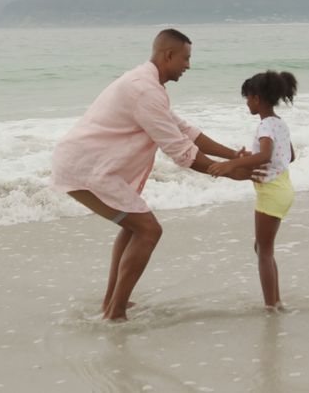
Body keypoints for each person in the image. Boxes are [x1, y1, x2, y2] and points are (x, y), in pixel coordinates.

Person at [50, 28, 256, 321]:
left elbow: (185, 131)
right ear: (168, 55)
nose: (188, 66)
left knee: (135, 227)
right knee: (148, 230)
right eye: (185, 58)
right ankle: (115, 313)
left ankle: (113, 302)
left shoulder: (147, 84)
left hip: (87, 165)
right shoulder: (145, 91)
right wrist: (228, 172)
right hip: (86, 169)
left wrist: (233, 156)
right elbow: (181, 152)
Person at [207, 70, 297, 311]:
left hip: (271, 192)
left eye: (247, 97)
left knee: (264, 251)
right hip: (284, 187)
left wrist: (233, 163)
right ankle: (275, 301)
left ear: (257, 98)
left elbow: (266, 154)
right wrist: (252, 159)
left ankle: (272, 306)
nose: (246, 102)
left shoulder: (265, 125)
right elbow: (290, 156)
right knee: (262, 248)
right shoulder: (280, 123)